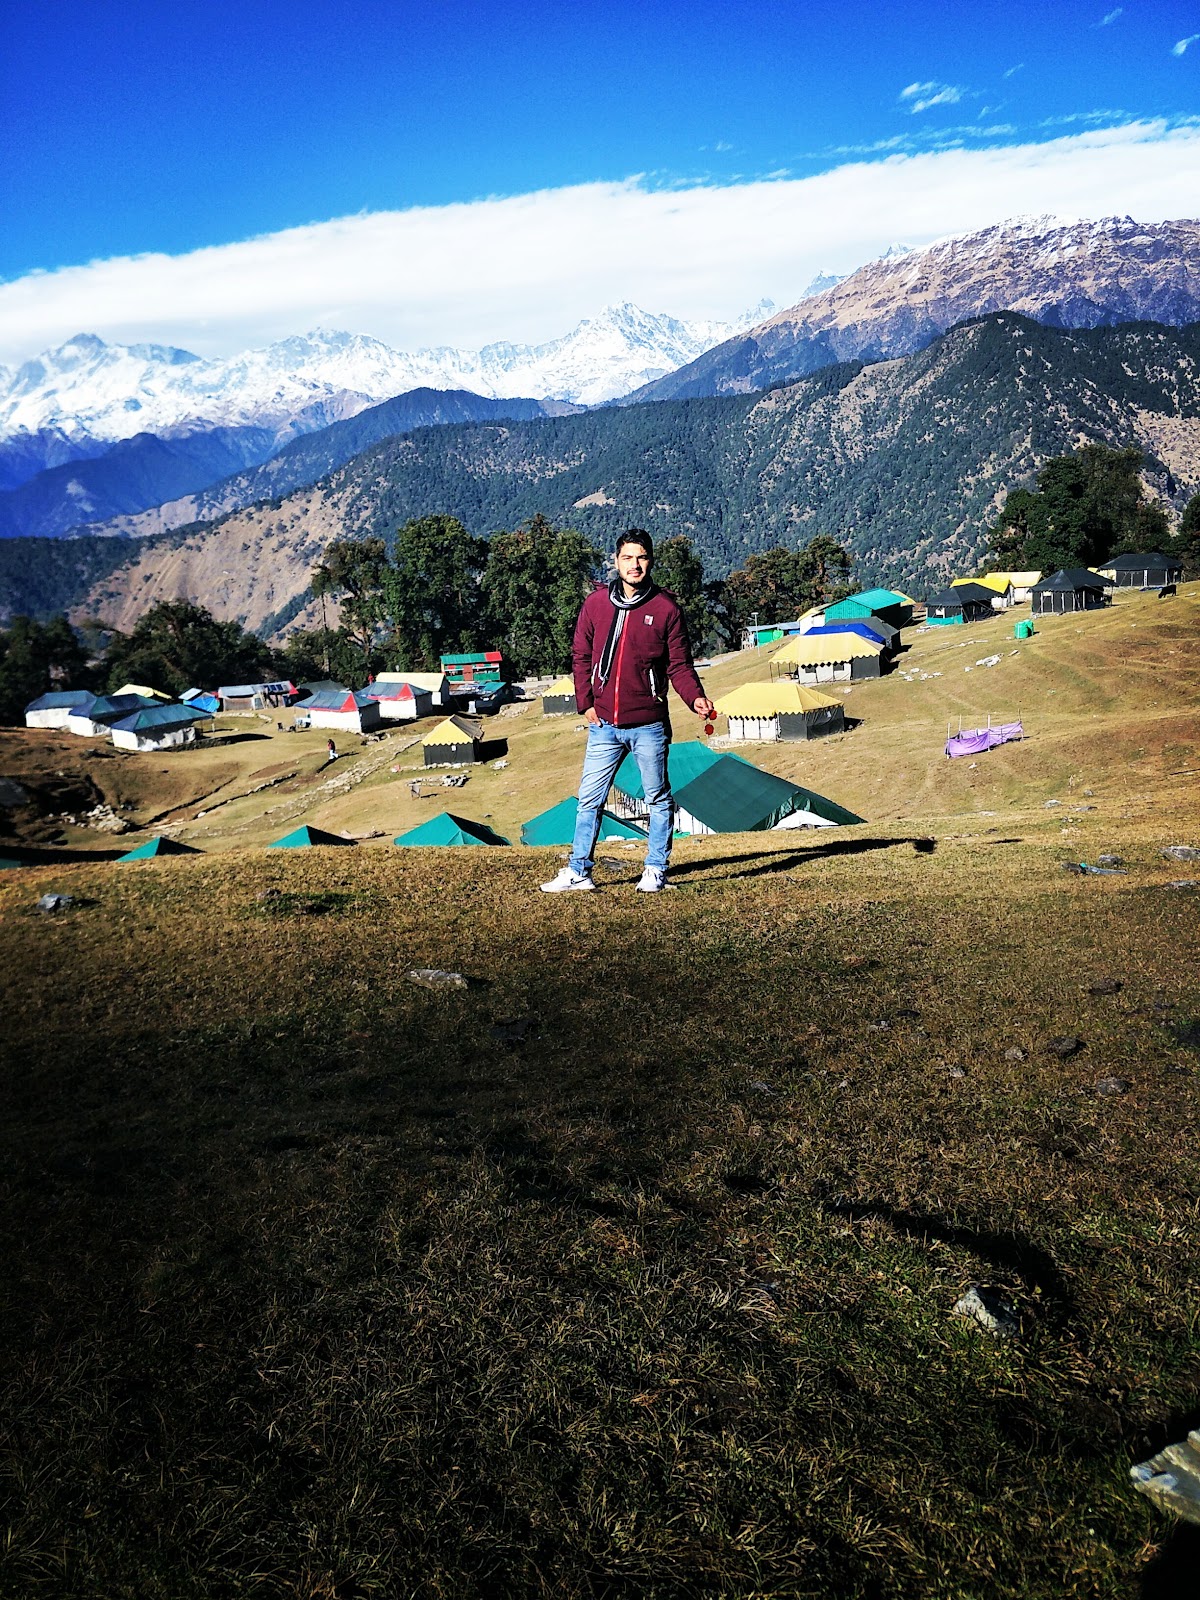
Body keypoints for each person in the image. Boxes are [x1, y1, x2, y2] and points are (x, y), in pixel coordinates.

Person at [541, 529, 714, 894]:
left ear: (650, 561)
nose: (635, 565)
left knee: (657, 798)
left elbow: (679, 666)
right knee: (589, 798)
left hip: (648, 724)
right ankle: (578, 871)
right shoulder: (596, 605)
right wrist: (585, 702)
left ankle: (654, 870)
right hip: (603, 724)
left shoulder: (666, 609)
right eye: (628, 558)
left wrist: (695, 698)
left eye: (642, 557)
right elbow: (581, 656)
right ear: (616, 561)